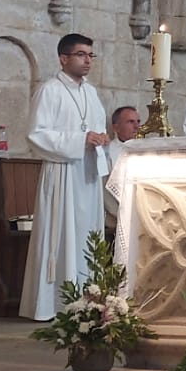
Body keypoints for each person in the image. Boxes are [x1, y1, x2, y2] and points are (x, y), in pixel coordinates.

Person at [20, 34, 112, 321]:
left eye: (90, 55)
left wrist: (102, 139)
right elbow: (36, 134)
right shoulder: (50, 91)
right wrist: (80, 140)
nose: (87, 61)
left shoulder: (91, 93)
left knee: (87, 236)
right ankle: (55, 304)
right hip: (63, 173)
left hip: (87, 174)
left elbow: (96, 127)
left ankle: (88, 300)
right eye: (81, 54)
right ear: (63, 58)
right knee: (61, 236)